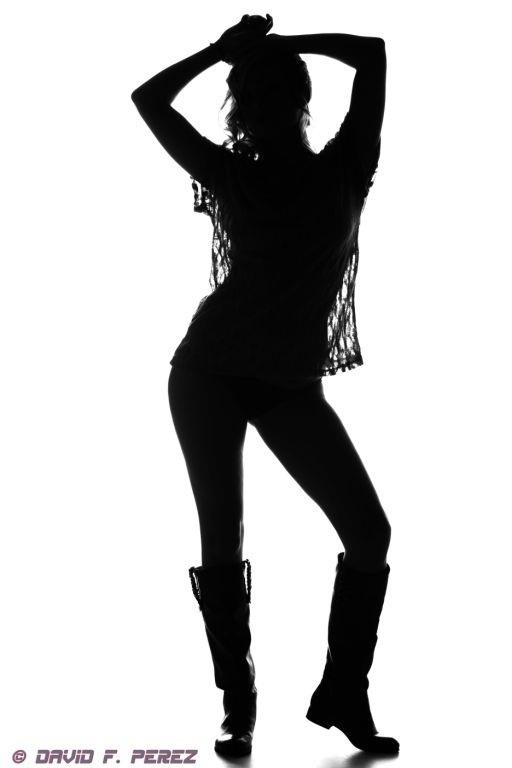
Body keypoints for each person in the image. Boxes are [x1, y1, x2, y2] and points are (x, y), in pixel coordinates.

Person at [131, 13, 398, 758]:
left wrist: (277, 47)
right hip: (209, 373)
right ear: (243, 110)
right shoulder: (230, 173)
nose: (266, 107)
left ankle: (344, 692)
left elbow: (372, 54)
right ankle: (237, 702)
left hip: (289, 383)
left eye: (280, 91)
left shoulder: (348, 164)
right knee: (223, 537)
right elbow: (147, 100)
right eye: (254, 96)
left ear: (301, 100)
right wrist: (224, 52)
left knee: (369, 533)